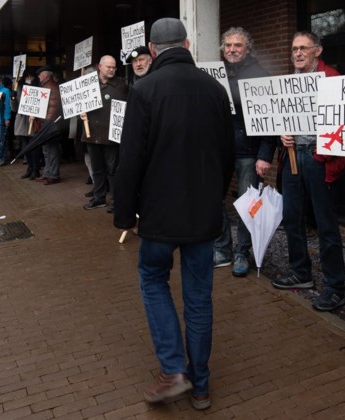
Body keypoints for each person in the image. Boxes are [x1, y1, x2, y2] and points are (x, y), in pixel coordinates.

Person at [114, 18, 235, 410]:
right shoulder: (215, 91)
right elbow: (227, 155)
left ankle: (174, 369)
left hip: (159, 216)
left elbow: (130, 158)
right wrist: (214, 196)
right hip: (202, 216)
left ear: (152, 50)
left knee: (153, 280)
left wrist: (124, 212)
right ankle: (200, 385)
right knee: (199, 297)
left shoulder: (144, 90)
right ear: (186, 43)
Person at [271, 31, 345, 312]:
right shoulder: (289, 82)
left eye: (304, 48)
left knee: (326, 225)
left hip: (319, 160)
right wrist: (283, 135)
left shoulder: (333, 79)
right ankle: (301, 272)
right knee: (292, 218)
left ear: (318, 50)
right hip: (292, 157)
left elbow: (342, 125)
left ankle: (335, 286)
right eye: (294, 49)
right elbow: (280, 117)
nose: (298, 53)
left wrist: (320, 149)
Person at [214, 27, 276, 277]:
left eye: (237, 45)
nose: (231, 49)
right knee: (213, 200)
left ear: (247, 48)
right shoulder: (215, 74)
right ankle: (222, 248)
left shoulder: (260, 75)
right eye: (228, 45)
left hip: (249, 153)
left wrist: (265, 154)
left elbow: (270, 119)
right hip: (220, 151)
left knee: (247, 206)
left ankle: (242, 252)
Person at [80, 55, 128, 211]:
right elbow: (76, 104)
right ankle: (99, 198)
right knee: (97, 169)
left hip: (112, 136)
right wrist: (79, 113)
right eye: (109, 66)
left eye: (114, 67)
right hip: (92, 134)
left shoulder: (122, 85)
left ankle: (116, 202)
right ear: (100, 67)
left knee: (113, 170)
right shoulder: (88, 85)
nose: (112, 69)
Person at [34, 68, 63, 185]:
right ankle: (48, 173)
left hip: (50, 124)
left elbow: (52, 108)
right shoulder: (48, 88)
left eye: (40, 75)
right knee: (46, 149)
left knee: (51, 150)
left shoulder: (51, 88)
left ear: (46, 76)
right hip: (47, 123)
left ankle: (54, 175)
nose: (39, 77)